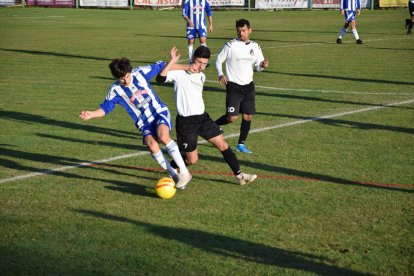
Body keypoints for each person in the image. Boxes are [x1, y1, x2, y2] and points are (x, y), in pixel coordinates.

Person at [79, 58, 192, 188]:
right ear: (116, 78)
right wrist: (92, 114)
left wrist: (186, 67)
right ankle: (175, 175)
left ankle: (184, 172)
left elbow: (162, 65)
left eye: (127, 76)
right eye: (121, 79)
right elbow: (105, 108)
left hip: (159, 112)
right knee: (152, 146)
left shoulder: (140, 73)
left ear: (129, 71)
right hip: (144, 122)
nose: (126, 81)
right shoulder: (115, 90)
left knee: (163, 136)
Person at [156, 46, 257, 188]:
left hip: (203, 119)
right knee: (192, 160)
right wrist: (176, 62)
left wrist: (192, 67)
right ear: (192, 59)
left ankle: (240, 175)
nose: (201, 66)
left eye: (204, 64)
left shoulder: (202, 75)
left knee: (223, 144)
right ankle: (172, 170)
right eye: (198, 62)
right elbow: (160, 78)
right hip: (186, 123)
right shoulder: (179, 73)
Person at [214, 19, 269, 154]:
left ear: (250, 30)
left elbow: (257, 66)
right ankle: (212, 126)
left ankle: (241, 144)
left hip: (249, 86)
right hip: (234, 86)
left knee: (247, 116)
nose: (241, 33)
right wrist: (221, 74)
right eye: (238, 30)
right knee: (232, 118)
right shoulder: (230, 45)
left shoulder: (255, 47)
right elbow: (218, 60)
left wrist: (262, 66)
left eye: (243, 30)